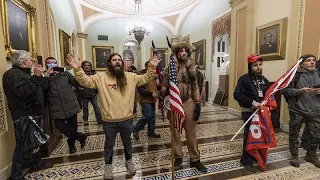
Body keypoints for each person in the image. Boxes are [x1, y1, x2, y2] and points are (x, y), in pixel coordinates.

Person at [66, 53, 160, 179]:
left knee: (127, 142)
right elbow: (85, 81)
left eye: (119, 60)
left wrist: (152, 67)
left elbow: (145, 78)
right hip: (109, 120)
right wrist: (77, 69)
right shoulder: (101, 77)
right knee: (109, 144)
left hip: (126, 119)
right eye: (114, 60)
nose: (117, 62)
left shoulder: (131, 77)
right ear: (109, 63)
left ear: (122, 63)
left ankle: (129, 161)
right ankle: (108, 165)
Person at [3, 50, 53, 180]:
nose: (32, 62)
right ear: (24, 62)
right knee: (22, 145)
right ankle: (16, 175)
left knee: (33, 142)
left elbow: (39, 88)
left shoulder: (24, 73)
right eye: (31, 59)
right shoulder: (12, 74)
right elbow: (23, 92)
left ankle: (35, 163)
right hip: (24, 115)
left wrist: (43, 76)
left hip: (33, 114)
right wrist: (36, 77)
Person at [161, 39, 207, 173]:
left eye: (185, 50)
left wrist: (197, 104)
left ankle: (195, 159)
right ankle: (178, 157)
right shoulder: (169, 69)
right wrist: (163, 94)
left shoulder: (192, 69)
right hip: (174, 104)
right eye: (180, 51)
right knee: (175, 133)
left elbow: (196, 87)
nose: (183, 53)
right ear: (176, 53)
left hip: (188, 103)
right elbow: (164, 87)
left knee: (191, 134)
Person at [281, 54, 320, 168]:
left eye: (313, 60)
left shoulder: (318, 73)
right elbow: (284, 90)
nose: (312, 62)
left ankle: (311, 155)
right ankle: (294, 156)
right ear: (302, 63)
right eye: (308, 61)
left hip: (316, 111)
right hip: (297, 110)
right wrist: (299, 91)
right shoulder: (293, 75)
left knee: (316, 135)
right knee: (294, 134)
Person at [234, 54, 270, 172]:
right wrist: (252, 102)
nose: (258, 67)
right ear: (250, 66)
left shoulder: (264, 80)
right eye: (255, 65)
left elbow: (269, 94)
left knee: (260, 136)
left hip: (262, 113)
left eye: (260, 65)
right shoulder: (243, 79)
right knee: (249, 136)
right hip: (249, 112)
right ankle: (246, 160)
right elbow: (237, 95)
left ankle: (256, 156)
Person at [44, 57, 87, 154]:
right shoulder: (45, 77)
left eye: (53, 63)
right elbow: (43, 88)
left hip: (70, 104)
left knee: (72, 127)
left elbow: (76, 83)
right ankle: (80, 136)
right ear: (46, 65)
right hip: (56, 107)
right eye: (49, 63)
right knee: (60, 126)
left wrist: (78, 73)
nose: (51, 65)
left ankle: (71, 146)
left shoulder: (65, 74)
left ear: (57, 64)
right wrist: (46, 76)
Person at [133, 61, 161, 139]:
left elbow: (157, 87)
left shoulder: (154, 76)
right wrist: (151, 93)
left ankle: (151, 132)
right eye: (149, 66)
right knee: (147, 116)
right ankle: (135, 129)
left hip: (153, 99)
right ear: (146, 67)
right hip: (145, 100)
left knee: (152, 117)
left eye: (152, 66)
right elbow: (141, 90)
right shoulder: (142, 76)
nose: (151, 68)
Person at [79, 61, 103, 125]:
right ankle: (85, 120)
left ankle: (99, 119)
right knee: (85, 108)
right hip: (84, 94)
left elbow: (97, 82)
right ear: (83, 66)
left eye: (88, 65)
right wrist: (80, 89)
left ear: (90, 66)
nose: (87, 67)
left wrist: (97, 90)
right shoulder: (81, 74)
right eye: (85, 65)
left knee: (96, 107)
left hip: (93, 94)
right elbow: (77, 82)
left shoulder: (94, 73)